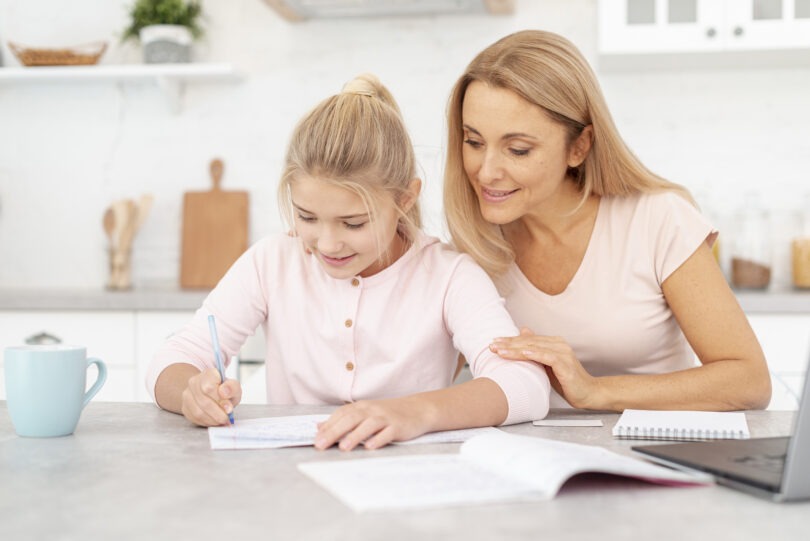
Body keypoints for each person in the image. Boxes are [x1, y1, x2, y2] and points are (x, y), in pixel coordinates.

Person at [147, 74, 550, 450]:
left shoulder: (449, 275)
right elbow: (173, 358)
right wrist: (191, 393)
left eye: (353, 223)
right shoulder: (272, 261)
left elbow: (525, 385)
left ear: (405, 199)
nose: (327, 243)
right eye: (306, 217)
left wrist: (416, 411)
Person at [443, 30, 771, 411]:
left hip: (653, 453)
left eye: (517, 149)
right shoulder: (472, 245)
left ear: (579, 146)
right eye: (474, 142)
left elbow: (749, 381)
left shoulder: (657, 220)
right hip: (530, 456)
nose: (486, 172)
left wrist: (594, 391)